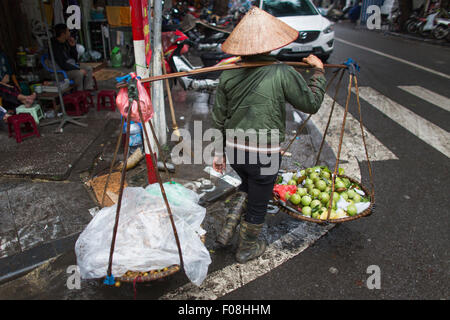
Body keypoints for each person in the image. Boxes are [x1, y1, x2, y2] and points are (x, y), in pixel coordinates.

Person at [211, 7, 326, 263]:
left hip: (235, 151)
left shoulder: (228, 72)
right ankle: (246, 248)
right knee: (259, 201)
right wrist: (318, 72)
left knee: (246, 185)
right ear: (270, 45)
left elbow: (218, 116)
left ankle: (228, 231)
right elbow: (311, 104)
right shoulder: (282, 72)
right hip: (263, 154)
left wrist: (219, 152)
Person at [51, 23, 94, 91]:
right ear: (63, 34)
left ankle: (88, 90)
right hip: (61, 72)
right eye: (68, 31)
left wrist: (73, 46)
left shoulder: (65, 42)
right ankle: (79, 92)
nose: (69, 33)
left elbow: (75, 59)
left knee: (88, 68)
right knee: (79, 73)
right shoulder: (54, 47)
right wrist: (77, 69)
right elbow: (63, 64)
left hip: (70, 66)